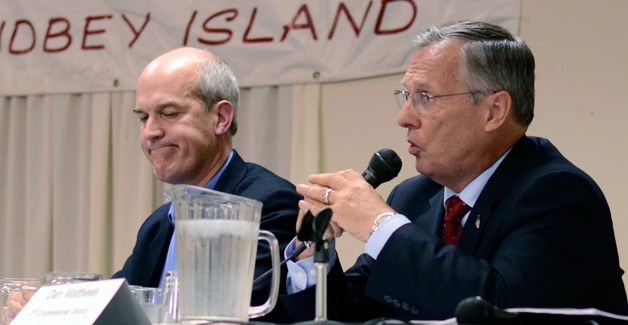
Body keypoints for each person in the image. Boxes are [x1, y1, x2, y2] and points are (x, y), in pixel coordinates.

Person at [279, 21, 628, 321]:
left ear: (494, 111)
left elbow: (497, 309)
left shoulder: (558, 194)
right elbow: (355, 312)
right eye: (406, 96)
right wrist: (313, 253)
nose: (403, 118)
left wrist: (380, 225)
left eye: (425, 97)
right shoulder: (415, 196)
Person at [111, 47, 300, 320]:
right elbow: (118, 308)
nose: (150, 132)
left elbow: (235, 316)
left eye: (169, 113)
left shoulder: (268, 204)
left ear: (221, 118)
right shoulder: (158, 224)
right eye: (143, 118)